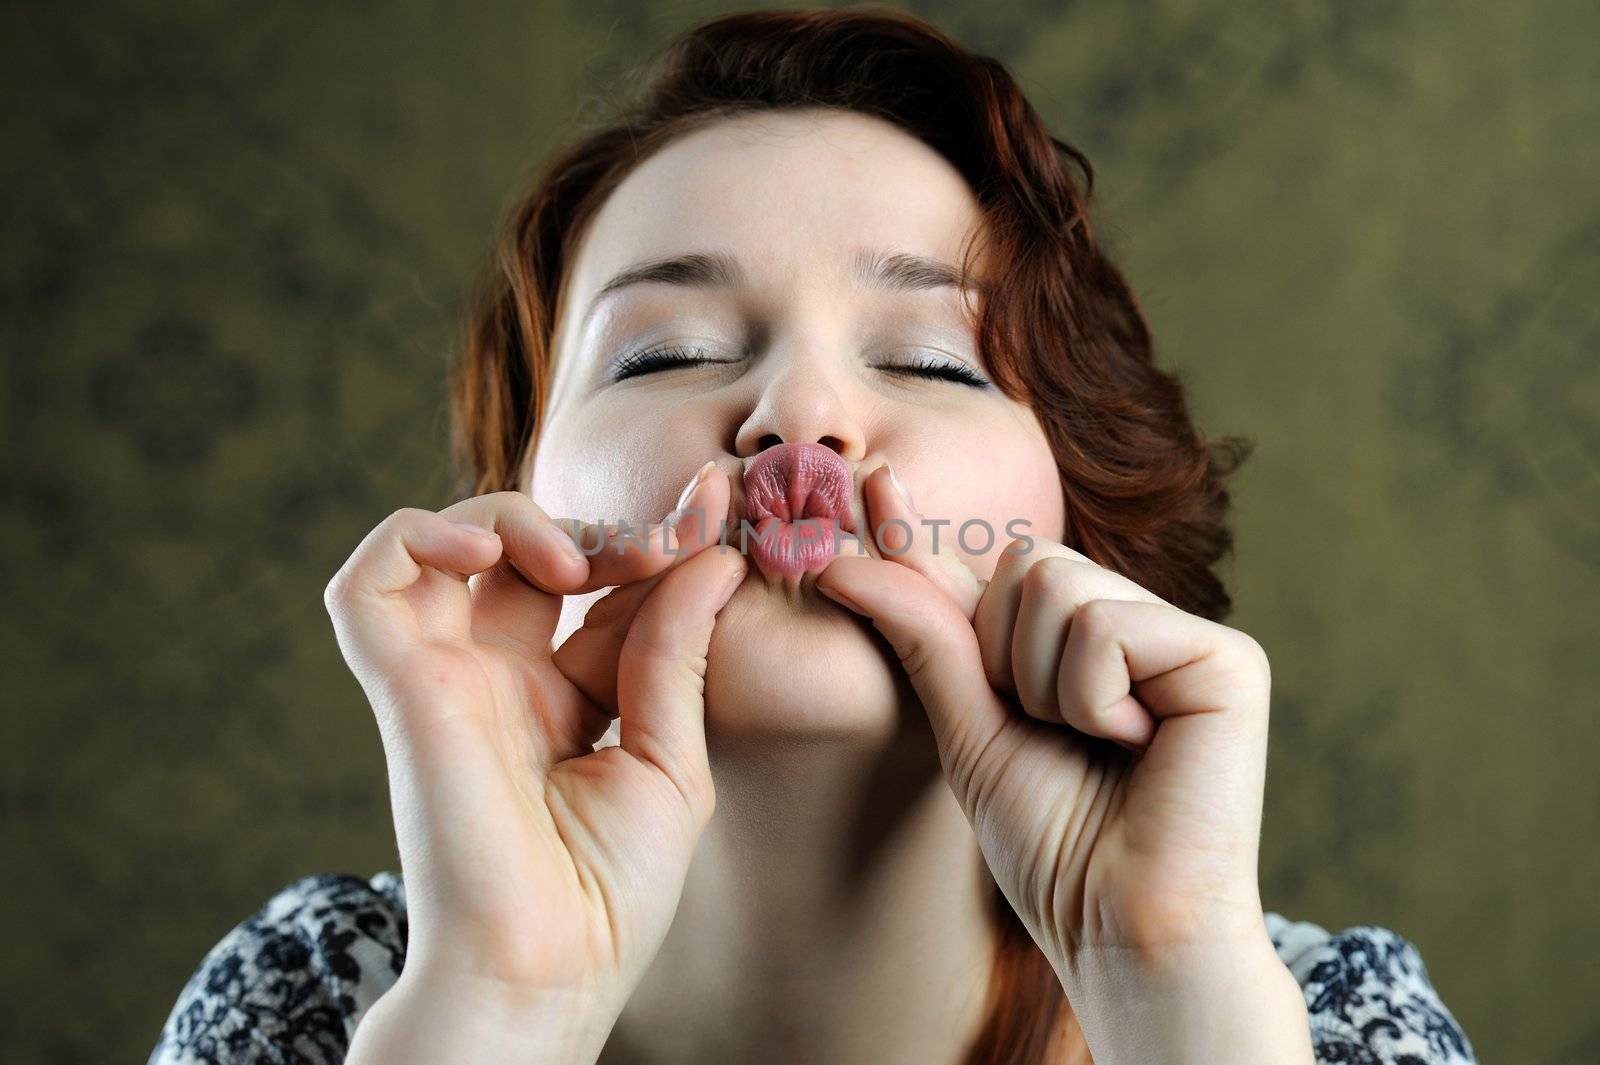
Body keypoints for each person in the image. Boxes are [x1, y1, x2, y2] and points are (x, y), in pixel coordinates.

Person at [149, 8, 1478, 1064]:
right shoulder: (328, 1002)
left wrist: (1171, 987)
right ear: (517, 519)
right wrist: (499, 1003)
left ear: (1081, 515)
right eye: (664, 351)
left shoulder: (1315, 1025)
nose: (798, 416)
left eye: (937, 361)